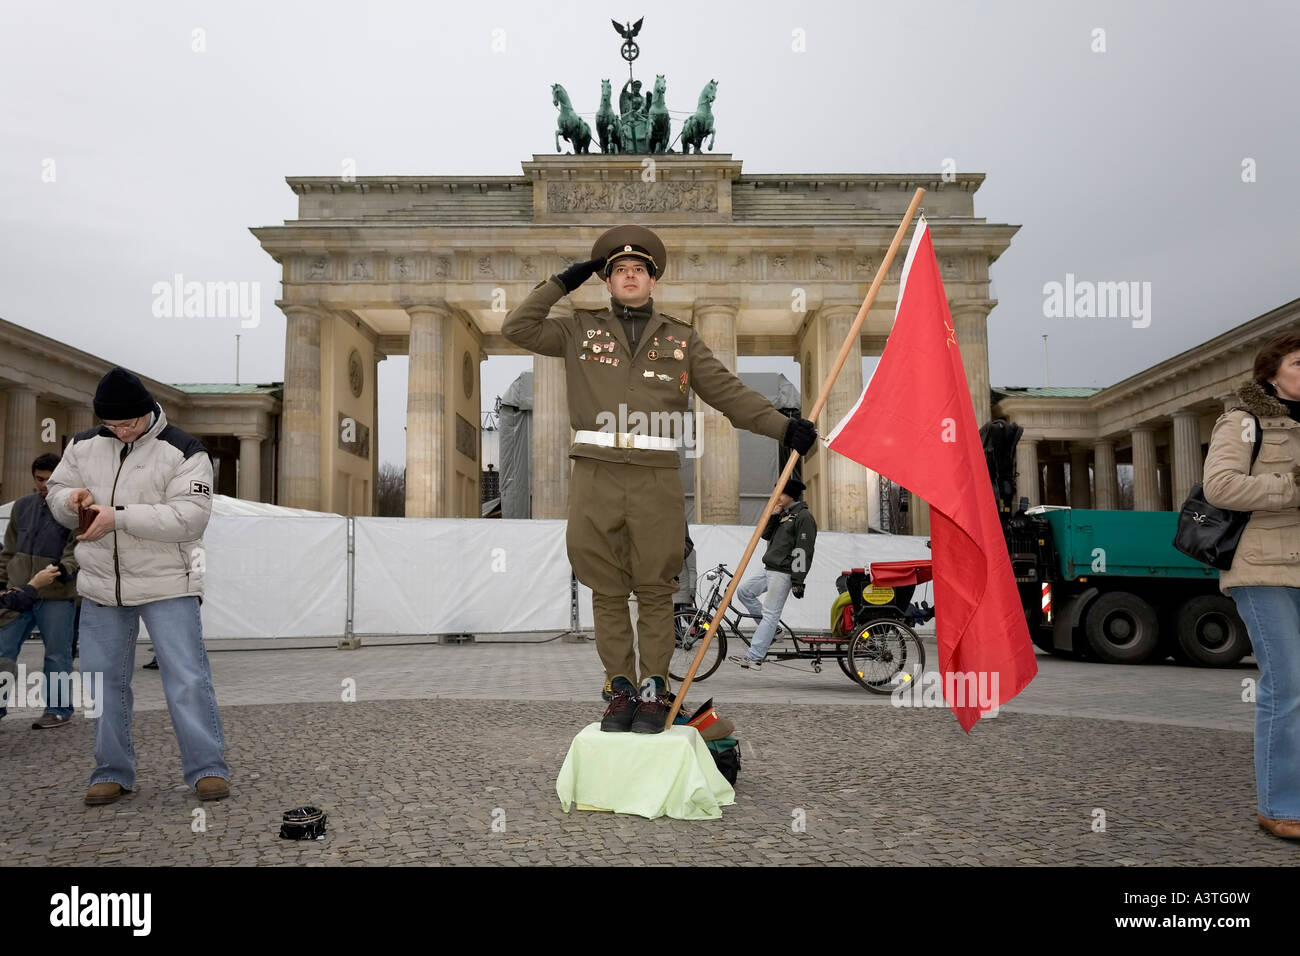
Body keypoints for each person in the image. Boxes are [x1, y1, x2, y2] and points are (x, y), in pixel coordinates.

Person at [503, 224, 817, 733]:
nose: (629, 277)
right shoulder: (577, 329)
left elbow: (729, 394)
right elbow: (517, 328)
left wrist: (783, 425)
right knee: (605, 589)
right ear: (605, 281)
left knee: (655, 589)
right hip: (596, 478)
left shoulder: (681, 339)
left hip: (655, 482)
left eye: (639, 271)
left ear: (654, 281)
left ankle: (654, 687)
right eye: (619, 271)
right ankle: (619, 688)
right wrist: (561, 282)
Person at [46, 367, 230, 806]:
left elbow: (190, 517)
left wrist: (118, 516)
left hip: (169, 584)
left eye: (130, 423)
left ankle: (207, 768)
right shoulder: (82, 445)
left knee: (186, 678)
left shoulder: (184, 450)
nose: (123, 432)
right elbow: (55, 492)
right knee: (103, 682)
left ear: (149, 411)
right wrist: (70, 504)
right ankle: (112, 770)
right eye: (113, 425)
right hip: (100, 587)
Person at [1203, 330, 1300, 840]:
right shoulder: (1244, 422)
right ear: (1272, 371)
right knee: (1288, 684)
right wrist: (1292, 486)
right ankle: (1280, 805)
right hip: (1264, 568)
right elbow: (1220, 486)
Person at [0, 454, 80, 727]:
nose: (44, 484)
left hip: (57, 596)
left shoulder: (73, 511)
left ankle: (58, 709)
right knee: (2, 650)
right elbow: (9, 550)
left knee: (57, 655)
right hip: (18, 594)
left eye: (49, 479)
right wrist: (3, 584)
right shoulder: (22, 506)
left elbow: (77, 552)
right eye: (39, 479)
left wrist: (60, 571)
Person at [730, 476, 818, 668]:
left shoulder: (803, 517)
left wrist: (798, 580)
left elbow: (803, 550)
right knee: (744, 592)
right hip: (769, 568)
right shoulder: (784, 514)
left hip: (783, 572)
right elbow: (766, 534)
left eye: (780, 493)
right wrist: (774, 514)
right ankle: (775, 631)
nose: (776, 496)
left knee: (770, 614)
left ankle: (754, 657)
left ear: (791, 496)